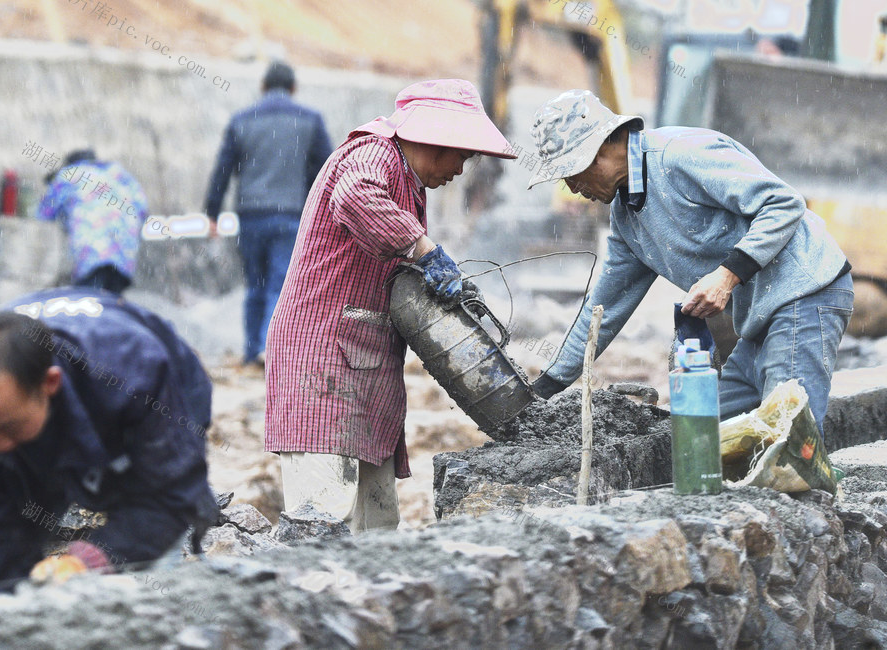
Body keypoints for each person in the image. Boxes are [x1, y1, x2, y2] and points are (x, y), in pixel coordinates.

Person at [265, 79, 516, 533]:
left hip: (360, 367)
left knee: (377, 524)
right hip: (323, 365)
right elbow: (356, 197)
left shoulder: (408, 180)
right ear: (435, 139)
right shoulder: (375, 153)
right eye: (462, 153)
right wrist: (424, 249)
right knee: (322, 522)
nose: (462, 167)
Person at [528, 89, 853, 435]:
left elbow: (783, 203)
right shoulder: (626, 218)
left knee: (788, 436)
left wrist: (727, 277)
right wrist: (545, 388)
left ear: (604, 145)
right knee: (701, 438)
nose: (572, 187)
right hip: (761, 320)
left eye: (572, 171)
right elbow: (604, 309)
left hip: (806, 293)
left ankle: (803, 488)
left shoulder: (682, 154)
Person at [0, 288, 217, 634]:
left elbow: (169, 498)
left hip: (141, 421)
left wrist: (89, 560)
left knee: (147, 607)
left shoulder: (133, 371)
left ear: (49, 384)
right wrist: (25, 602)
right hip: (35, 450)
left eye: (8, 426)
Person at [204, 61, 333, 369]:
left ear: (263, 87)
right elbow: (327, 170)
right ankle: (269, 349)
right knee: (280, 284)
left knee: (255, 285)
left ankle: (251, 351)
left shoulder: (241, 121)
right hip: (289, 215)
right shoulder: (310, 121)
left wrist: (212, 212)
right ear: (293, 88)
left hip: (250, 216)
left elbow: (222, 171)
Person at [38, 149, 149, 294]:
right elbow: (142, 209)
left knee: (87, 303)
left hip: (91, 250)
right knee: (112, 304)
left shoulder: (69, 175)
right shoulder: (120, 175)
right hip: (124, 252)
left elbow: (44, 213)